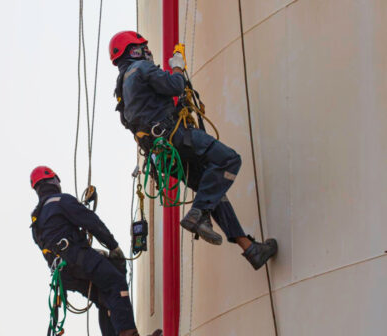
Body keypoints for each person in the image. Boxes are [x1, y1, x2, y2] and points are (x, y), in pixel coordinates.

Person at [108, 31, 277, 270]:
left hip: (165, 157)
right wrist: (177, 67)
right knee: (229, 161)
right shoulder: (141, 69)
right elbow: (175, 86)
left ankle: (250, 249)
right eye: (143, 48)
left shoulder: (121, 92)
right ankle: (198, 214)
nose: (148, 52)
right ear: (133, 51)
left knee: (211, 190)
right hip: (177, 137)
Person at [29, 166, 140, 336]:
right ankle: (128, 333)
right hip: (77, 258)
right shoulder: (61, 201)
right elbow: (91, 222)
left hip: (64, 274)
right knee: (115, 282)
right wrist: (113, 246)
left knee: (105, 298)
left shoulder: (36, 222)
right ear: (54, 181)